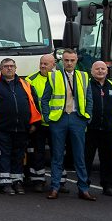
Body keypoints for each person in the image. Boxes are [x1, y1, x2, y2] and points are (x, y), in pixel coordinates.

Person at [41, 47, 94, 200]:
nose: (69, 63)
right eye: (66, 60)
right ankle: (55, 187)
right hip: (59, 119)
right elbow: (45, 99)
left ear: (76, 61)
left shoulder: (84, 76)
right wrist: (47, 117)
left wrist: (87, 117)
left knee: (80, 156)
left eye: (72, 60)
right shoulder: (53, 76)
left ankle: (83, 189)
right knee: (57, 155)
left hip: (78, 118)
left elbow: (89, 99)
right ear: (61, 61)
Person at [0, 58, 41, 194]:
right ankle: (5, 183)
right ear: (1, 69)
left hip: (21, 127)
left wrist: (34, 123)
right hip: (0, 128)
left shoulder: (26, 85)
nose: (9, 68)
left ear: (15, 68)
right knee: (2, 155)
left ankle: (17, 182)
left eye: (11, 66)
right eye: (6, 66)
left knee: (18, 155)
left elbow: (33, 104)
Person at [84, 61, 112, 197]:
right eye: (97, 69)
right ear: (91, 71)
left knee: (107, 159)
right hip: (90, 128)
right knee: (87, 158)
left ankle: (108, 186)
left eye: (103, 69)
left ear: (107, 71)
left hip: (108, 128)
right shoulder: (86, 85)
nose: (100, 71)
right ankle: (84, 185)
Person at [25, 54, 57, 192]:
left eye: (46, 64)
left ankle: (59, 182)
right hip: (38, 124)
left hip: (56, 123)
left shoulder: (61, 79)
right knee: (37, 153)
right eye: (41, 63)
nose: (43, 66)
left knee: (57, 153)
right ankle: (38, 181)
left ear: (54, 65)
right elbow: (27, 104)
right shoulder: (30, 80)